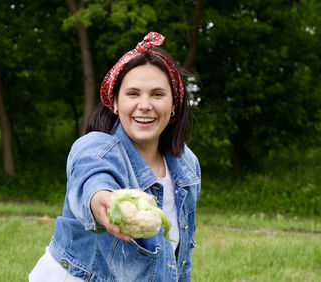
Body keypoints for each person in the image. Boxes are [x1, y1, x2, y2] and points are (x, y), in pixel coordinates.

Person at [29, 31, 201, 282]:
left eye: (157, 94)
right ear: (115, 103)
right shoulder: (96, 147)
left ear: (174, 104)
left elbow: (179, 258)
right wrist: (104, 203)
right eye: (133, 93)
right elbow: (93, 180)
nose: (145, 104)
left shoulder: (186, 164)